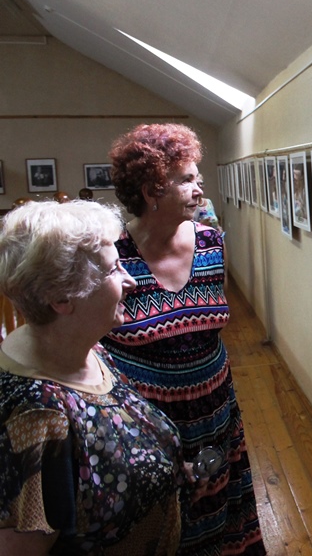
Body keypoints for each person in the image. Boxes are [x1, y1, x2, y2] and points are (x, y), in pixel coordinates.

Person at [101, 123, 266, 555]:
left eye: (199, 177)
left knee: (221, 526)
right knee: (163, 531)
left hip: (214, 412)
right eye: (188, 179)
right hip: (148, 430)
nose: (200, 188)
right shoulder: (112, 256)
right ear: (152, 189)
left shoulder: (210, 243)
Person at [0, 200, 183, 555]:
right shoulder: (37, 417)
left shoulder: (84, 350)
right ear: (61, 298)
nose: (130, 280)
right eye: (113, 270)